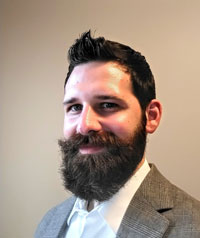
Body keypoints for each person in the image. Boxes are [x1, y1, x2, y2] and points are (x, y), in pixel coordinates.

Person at [35, 31, 200, 238]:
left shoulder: (194, 226)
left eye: (108, 105)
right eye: (75, 107)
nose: (85, 126)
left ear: (151, 116)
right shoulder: (49, 223)